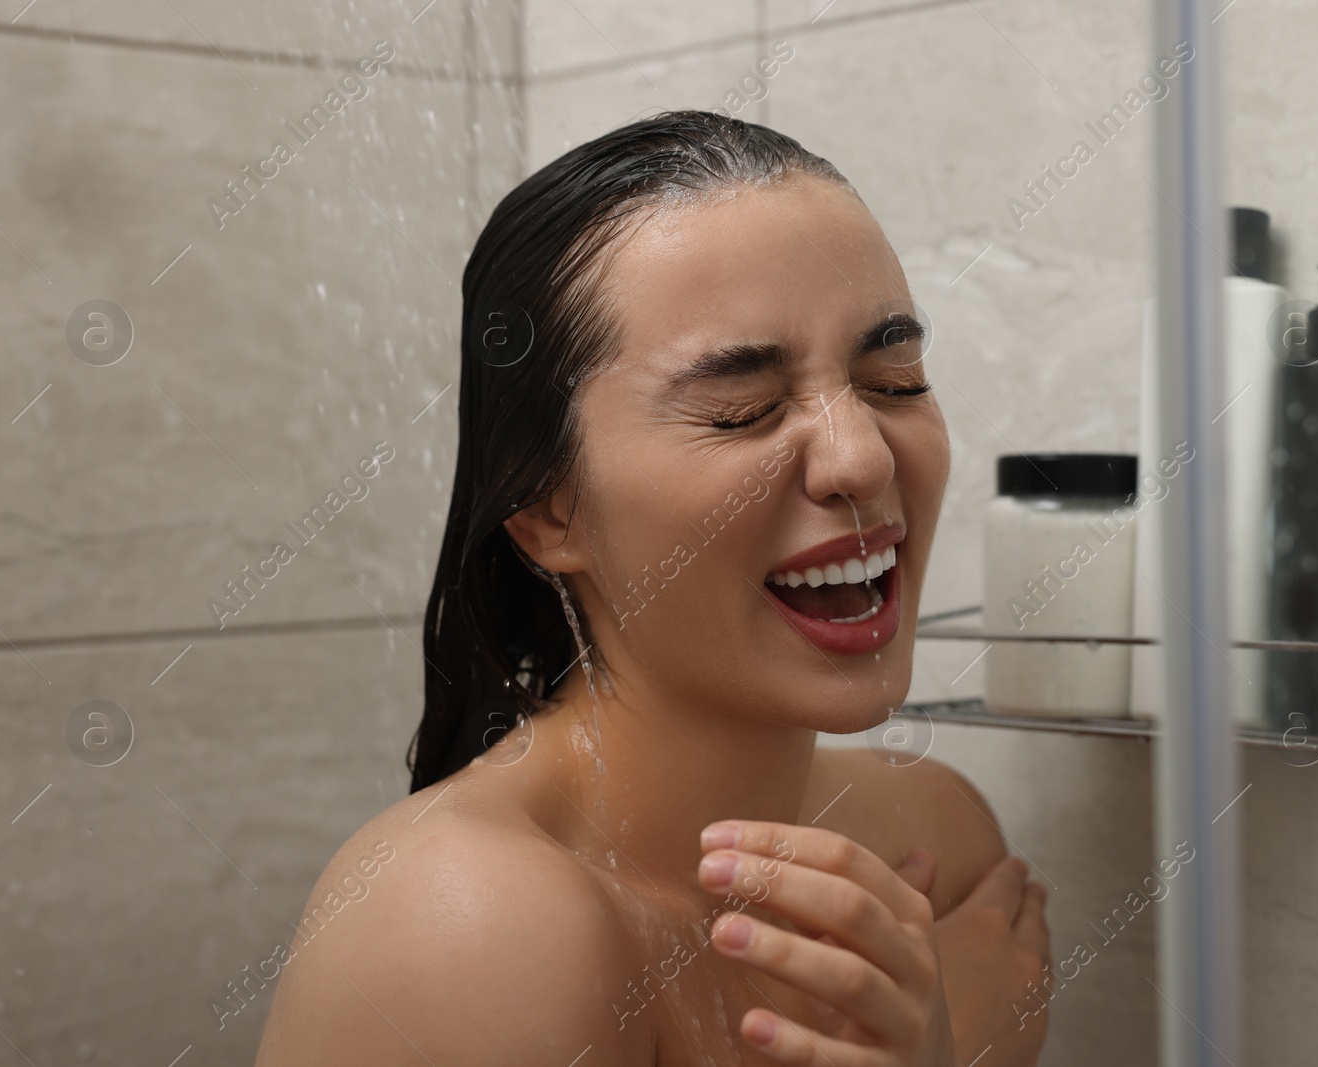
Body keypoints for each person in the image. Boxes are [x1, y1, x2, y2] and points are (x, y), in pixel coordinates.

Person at [255, 109, 1050, 1067]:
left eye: (894, 380)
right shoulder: (468, 926)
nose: (860, 457)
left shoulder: (935, 839)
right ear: (550, 510)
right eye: (740, 411)